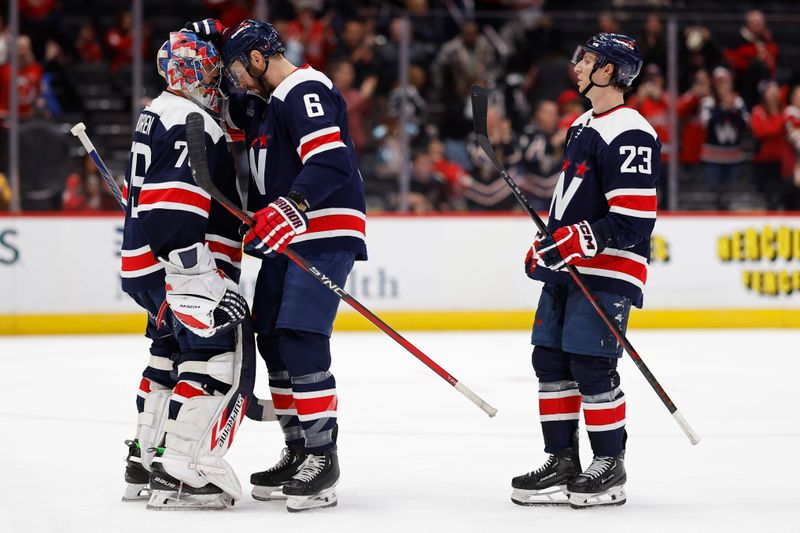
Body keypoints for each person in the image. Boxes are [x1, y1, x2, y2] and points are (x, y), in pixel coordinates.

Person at [190, 17, 368, 512]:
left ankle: (322, 455)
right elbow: (229, 106)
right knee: (270, 334)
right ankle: (297, 449)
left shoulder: (302, 88)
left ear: (257, 59)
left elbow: (330, 161)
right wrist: (209, 36)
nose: (234, 81)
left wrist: (292, 205)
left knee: (300, 337)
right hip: (287, 238)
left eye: (235, 68)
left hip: (321, 232)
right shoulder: (267, 104)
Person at [512, 33, 660, 509]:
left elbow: (633, 221)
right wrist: (548, 242)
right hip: (571, 270)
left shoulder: (631, 131)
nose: (577, 66)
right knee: (550, 362)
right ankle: (562, 460)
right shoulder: (582, 124)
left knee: (592, 364)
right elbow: (570, 204)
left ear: (611, 71)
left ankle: (609, 463)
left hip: (608, 271)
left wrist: (575, 241)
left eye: (588, 60)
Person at [119, 30, 252, 511]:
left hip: (147, 265)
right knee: (215, 357)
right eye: (212, 70)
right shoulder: (192, 119)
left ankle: (146, 458)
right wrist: (199, 281)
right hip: (184, 267)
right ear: (191, 72)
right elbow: (173, 209)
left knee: (167, 359)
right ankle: (187, 467)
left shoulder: (158, 110)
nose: (218, 80)